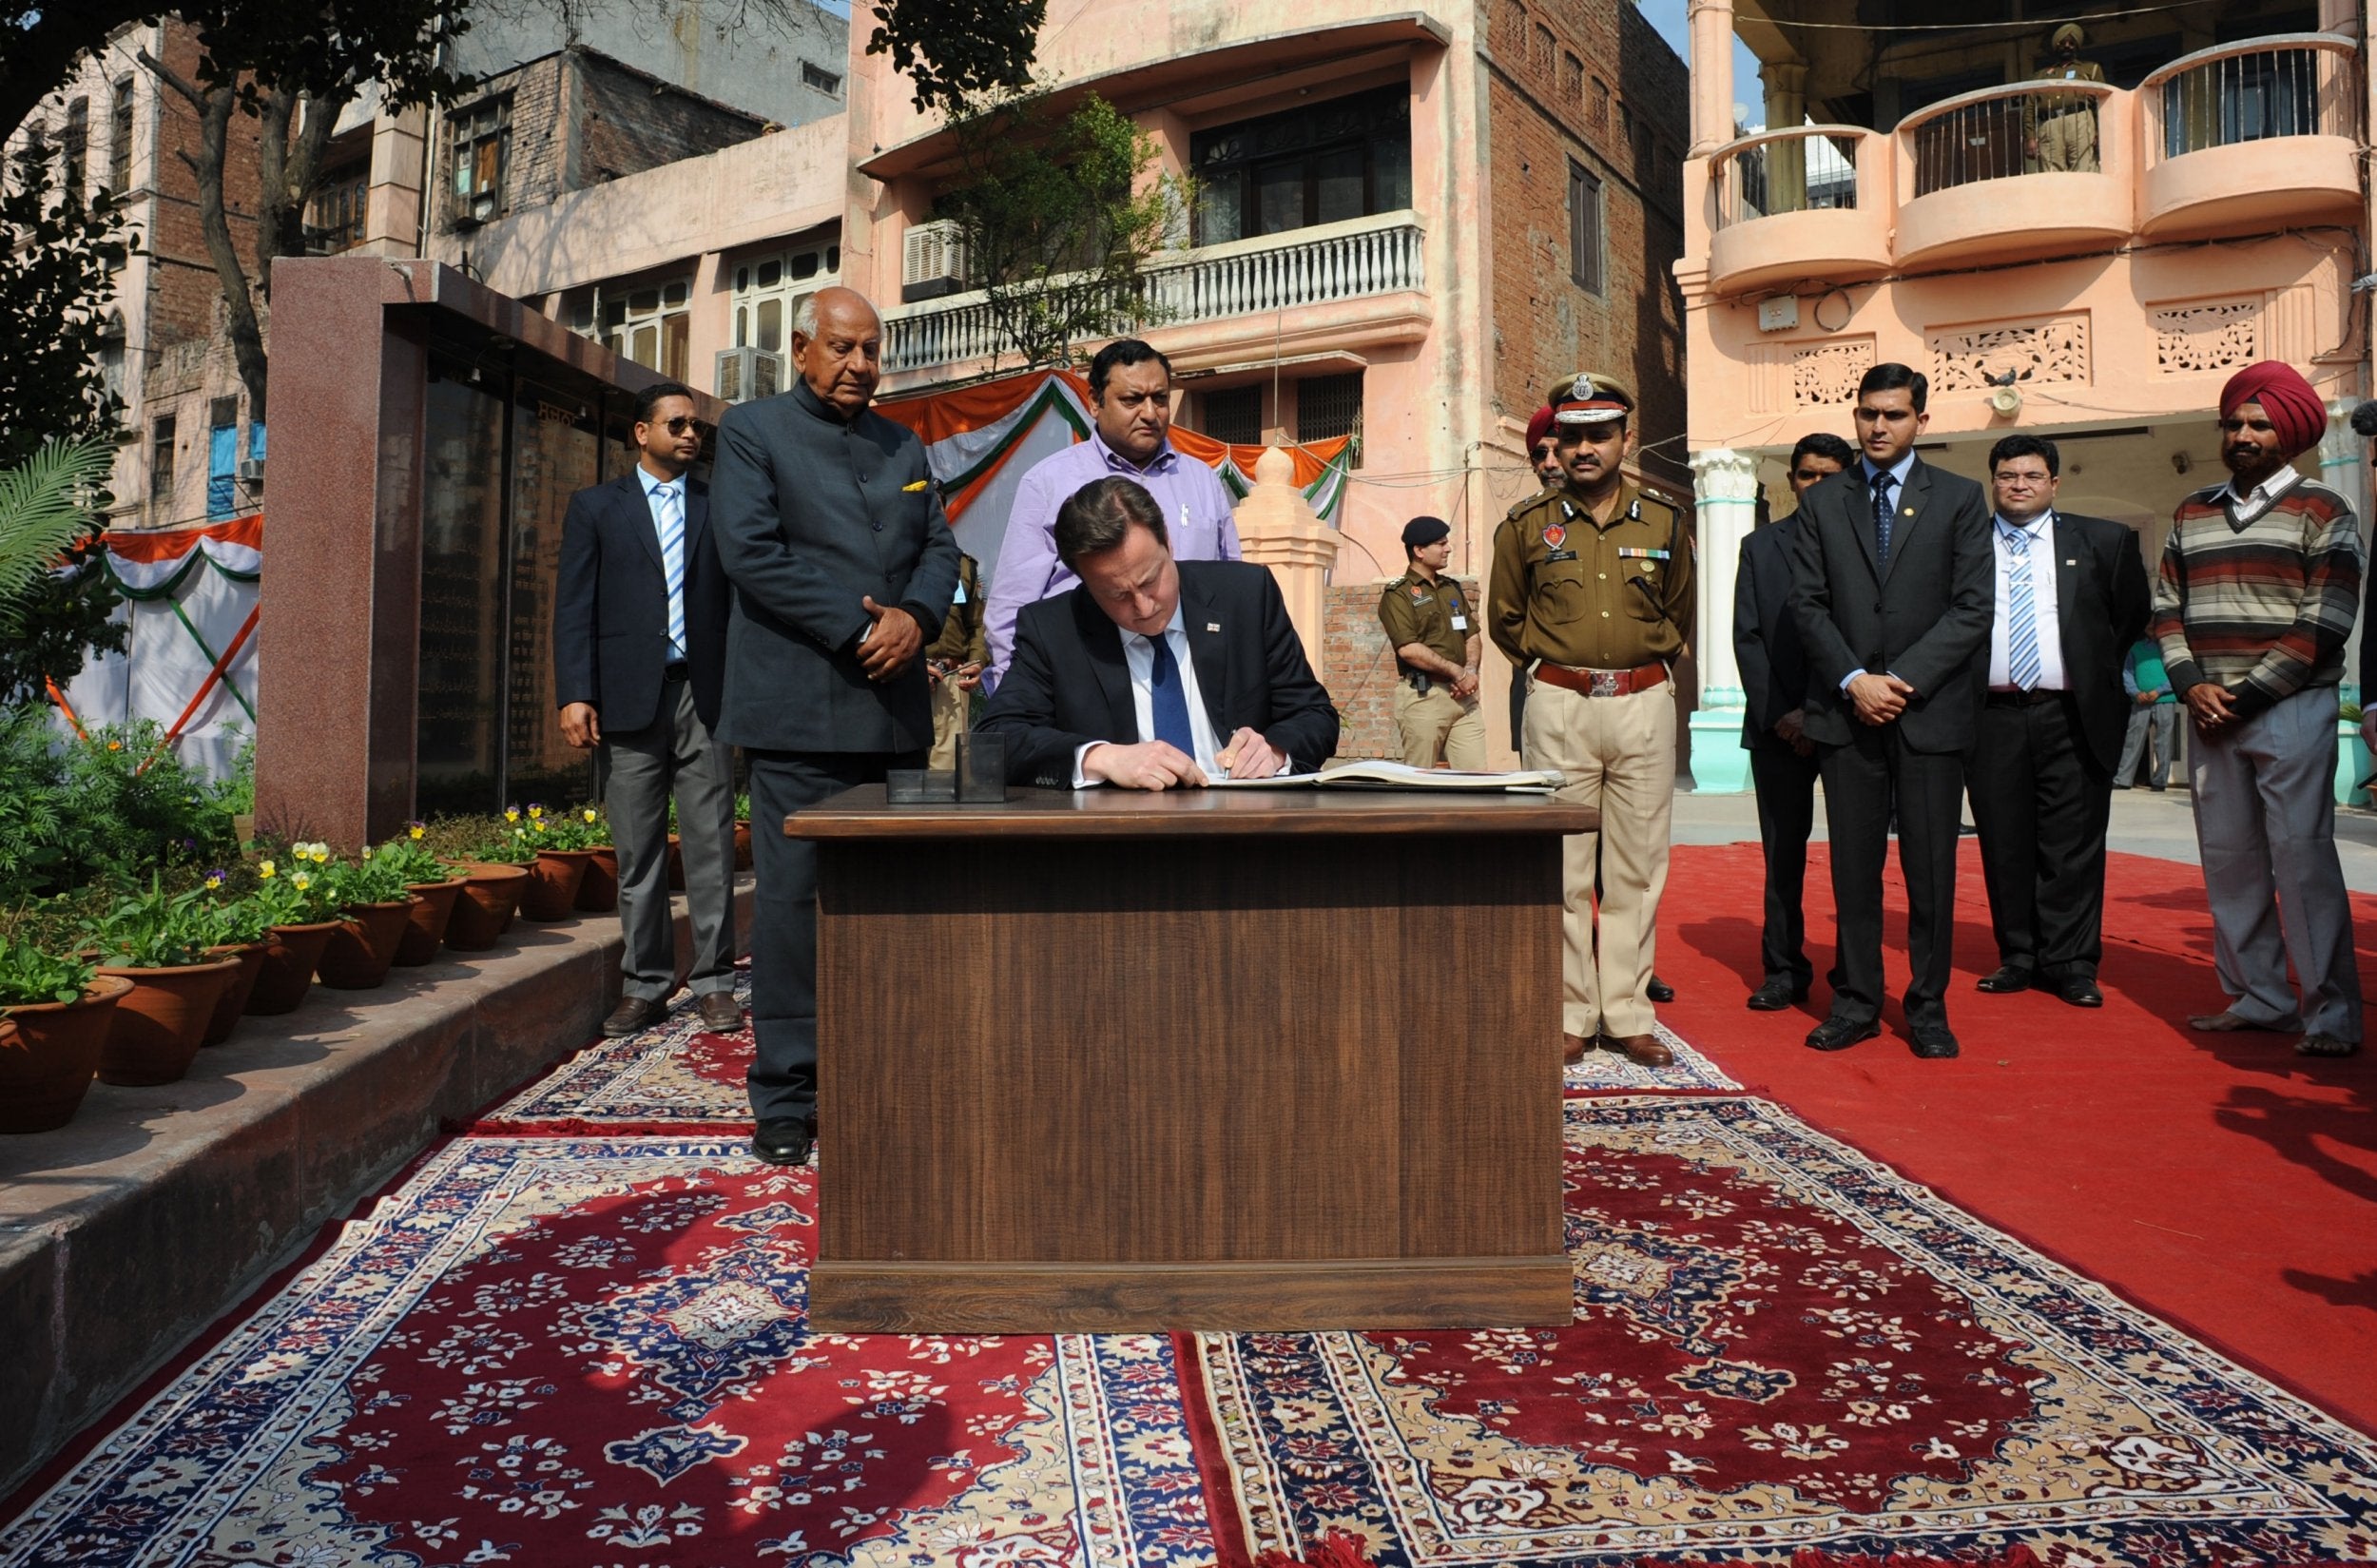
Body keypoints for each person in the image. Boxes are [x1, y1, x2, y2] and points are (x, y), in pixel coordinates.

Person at [711, 286, 962, 1167]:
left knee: (887, 907)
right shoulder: (751, 431)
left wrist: (918, 619)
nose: (860, 365)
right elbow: (751, 552)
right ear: (804, 351)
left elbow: (940, 548)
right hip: (796, 712)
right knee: (789, 907)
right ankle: (786, 1090)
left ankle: (876, 1071)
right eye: (843, 349)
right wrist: (863, 626)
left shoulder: (906, 443)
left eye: (871, 351)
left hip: (893, 714)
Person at [2153, 359, 2362, 1058]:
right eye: (2234, 421)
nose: (2243, 433)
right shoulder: (2192, 510)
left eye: (2259, 423)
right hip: (2209, 710)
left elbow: (2324, 620)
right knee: (2230, 860)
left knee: (2301, 861)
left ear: (2290, 433)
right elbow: (2164, 609)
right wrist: (2192, 686)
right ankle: (2261, 998)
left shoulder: (2325, 510)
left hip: (2290, 709)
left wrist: (2243, 695)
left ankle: (2331, 1014)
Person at [1788, 363, 1992, 1059]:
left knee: (1931, 869)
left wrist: (1898, 680)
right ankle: (1857, 1002)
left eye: (1894, 415)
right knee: (1853, 867)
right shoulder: (1822, 502)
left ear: (1921, 421)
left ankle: (1928, 1006)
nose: (1879, 426)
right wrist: (1853, 679)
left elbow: (1973, 608)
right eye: (1869, 413)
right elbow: (1805, 604)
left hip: (1927, 711)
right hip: (1847, 716)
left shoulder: (1960, 499)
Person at [1489, 371, 1688, 1070]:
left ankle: (1628, 1012)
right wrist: (1561, 671)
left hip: (1642, 703)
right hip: (1561, 705)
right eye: (1571, 436)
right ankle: (1573, 1012)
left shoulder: (1664, 521)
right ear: (1557, 442)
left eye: (1599, 434)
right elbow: (1506, 622)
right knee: (1565, 868)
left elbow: (1678, 612)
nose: (1584, 448)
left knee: (1636, 868)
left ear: (1625, 440)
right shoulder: (1523, 528)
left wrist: (1633, 668)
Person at [551, 380, 742, 1039]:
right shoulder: (596, 508)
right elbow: (574, 606)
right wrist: (575, 691)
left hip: (705, 695)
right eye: (678, 424)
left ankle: (716, 981)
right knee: (637, 853)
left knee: (712, 843)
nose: (691, 435)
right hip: (628, 698)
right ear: (642, 432)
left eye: (697, 427)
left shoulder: (720, 507)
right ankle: (647, 984)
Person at [977, 475, 1339, 788]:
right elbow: (996, 740)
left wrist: (1274, 752)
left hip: (1242, 828)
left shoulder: (1245, 596)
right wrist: (1101, 758)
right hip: (1123, 838)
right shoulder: (1054, 628)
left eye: (1151, 580)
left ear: (1167, 539)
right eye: (1117, 595)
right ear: (1084, 582)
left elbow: (1313, 715)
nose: (1144, 607)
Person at [1963, 435, 2151, 1009]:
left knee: (2072, 844)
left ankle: (2071, 962)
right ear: (1992, 481)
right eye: (2007, 475)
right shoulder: (1964, 546)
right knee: (2004, 838)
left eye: (2032, 475)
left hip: (2072, 714)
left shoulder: (2103, 540)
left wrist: (2086, 677)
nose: (2018, 484)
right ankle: (2018, 954)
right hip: (1990, 716)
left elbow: (2128, 619)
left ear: (2054, 483)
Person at [983, 339, 1242, 690]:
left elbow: (1229, 588)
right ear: (1094, 402)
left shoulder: (1202, 480)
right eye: (1132, 400)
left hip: (1192, 677)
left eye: (1160, 399)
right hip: (1090, 678)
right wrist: (1016, 702)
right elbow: (1011, 609)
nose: (1150, 413)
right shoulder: (1049, 482)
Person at [1734, 431, 1853, 1011]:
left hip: (1850, 721)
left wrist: (1822, 709)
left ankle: (1854, 971)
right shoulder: (1760, 548)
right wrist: (1785, 713)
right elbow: (1748, 636)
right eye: (1808, 475)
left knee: (1856, 855)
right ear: (1792, 481)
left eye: (1831, 475)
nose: (1818, 485)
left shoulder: (1867, 549)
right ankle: (1783, 968)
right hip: (1777, 726)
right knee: (1783, 855)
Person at [1378, 515, 1485, 769]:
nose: (1448, 548)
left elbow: (1471, 633)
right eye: (1441, 543)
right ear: (1419, 551)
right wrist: (1457, 672)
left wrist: (1469, 672)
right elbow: (1409, 649)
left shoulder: (1452, 588)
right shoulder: (1398, 594)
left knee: (1477, 782)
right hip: (1424, 697)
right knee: (1421, 782)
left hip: (1463, 699)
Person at [925, 542, 987, 770]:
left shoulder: (962, 565)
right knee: (903, 775)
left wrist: (976, 660)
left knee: (949, 772)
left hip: (950, 679)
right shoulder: (895, 558)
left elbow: (976, 623)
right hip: (902, 678)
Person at [2026, 23, 2105, 172]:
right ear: (2056, 46)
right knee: (2051, 172)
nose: (2067, 46)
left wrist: (2100, 131)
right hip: (2049, 124)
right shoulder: (2041, 75)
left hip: (2080, 119)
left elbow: (2101, 102)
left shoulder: (2090, 69)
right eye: (2063, 43)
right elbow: (2029, 108)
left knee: (2084, 168)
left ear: (2077, 46)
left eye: (2072, 43)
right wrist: (2030, 137)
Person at [2116, 638, 2178, 790]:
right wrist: (2135, 692)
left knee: (2163, 741)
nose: (2151, 624)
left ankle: (2160, 781)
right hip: (2140, 701)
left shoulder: (2169, 647)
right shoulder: (2135, 648)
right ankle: (2123, 780)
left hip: (2165, 699)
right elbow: (2128, 672)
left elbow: (2175, 671)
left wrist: (2159, 690)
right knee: (2133, 739)